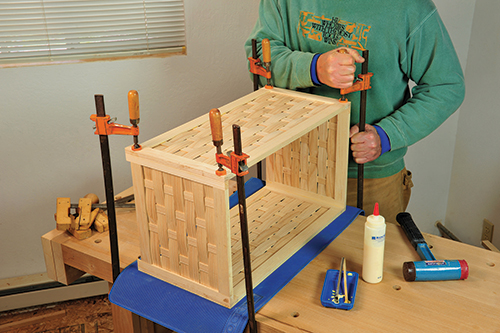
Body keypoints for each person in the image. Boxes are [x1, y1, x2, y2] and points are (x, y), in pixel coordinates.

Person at [245, 0, 465, 223]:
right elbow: (261, 57)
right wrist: (315, 67)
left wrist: (386, 135)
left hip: (370, 177)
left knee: (371, 255)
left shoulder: (410, 8)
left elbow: (446, 86)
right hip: (292, 166)